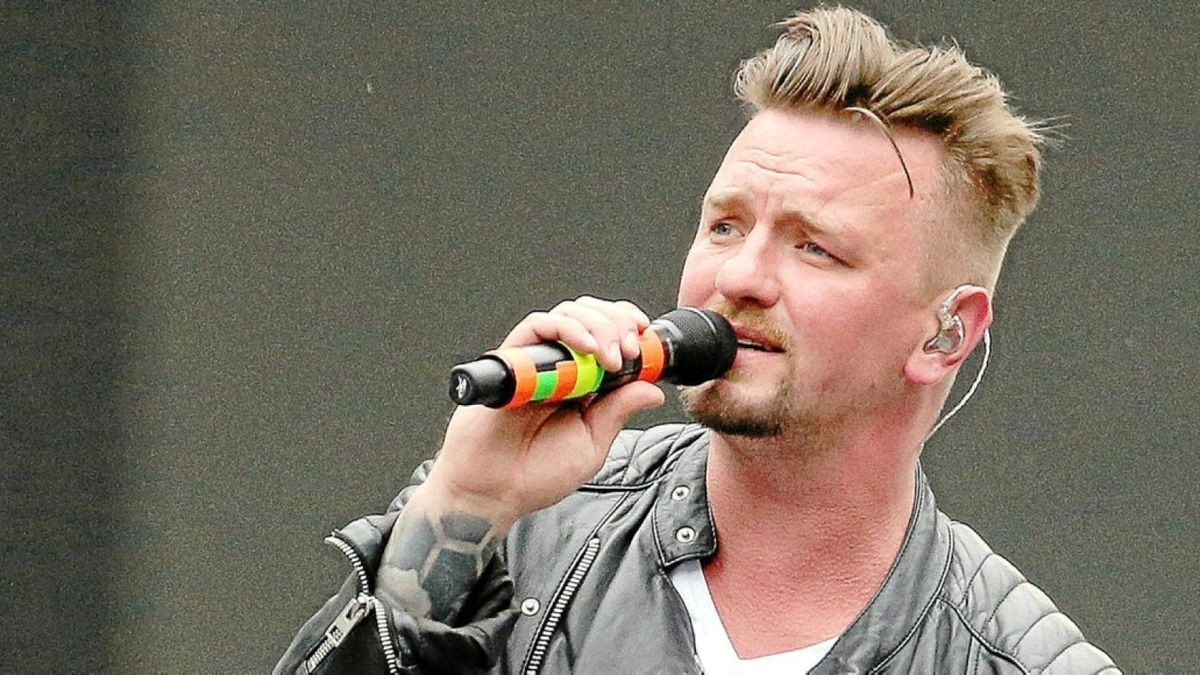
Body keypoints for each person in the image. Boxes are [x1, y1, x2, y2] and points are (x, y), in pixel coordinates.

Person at [277, 7, 1118, 674]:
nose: (741, 276)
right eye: (724, 225)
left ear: (945, 334)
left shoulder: (1019, 661)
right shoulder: (531, 529)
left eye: (813, 245)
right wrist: (463, 506)